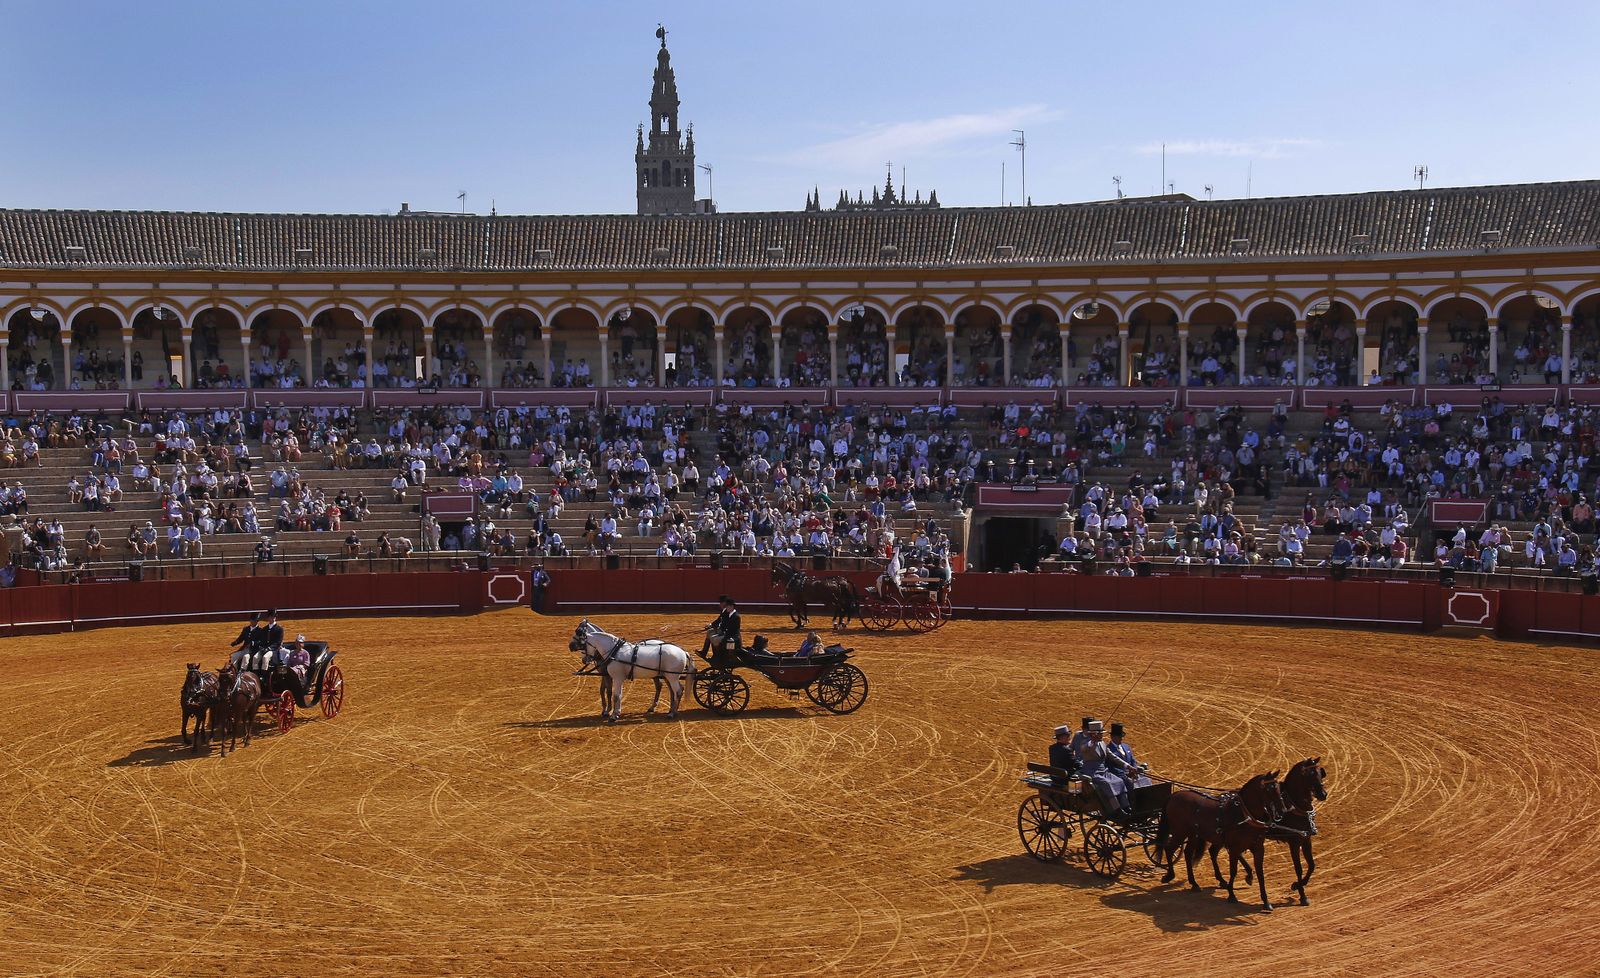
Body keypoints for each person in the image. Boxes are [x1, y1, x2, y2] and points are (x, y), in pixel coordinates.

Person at [1078, 720, 1133, 818]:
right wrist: (1092, 741)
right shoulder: (1086, 743)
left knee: (1119, 781)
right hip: (1092, 773)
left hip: (1103, 771)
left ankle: (1126, 806)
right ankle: (1117, 809)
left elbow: (1112, 757)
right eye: (1100, 734)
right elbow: (1084, 748)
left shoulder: (1102, 743)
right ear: (1093, 734)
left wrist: (1127, 765)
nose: (1102, 736)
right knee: (1107, 784)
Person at [1106, 722, 1151, 792]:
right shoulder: (1108, 750)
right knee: (1130, 783)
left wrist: (1134, 770)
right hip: (1121, 776)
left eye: (1122, 736)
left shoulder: (1126, 746)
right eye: (1119, 737)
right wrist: (1127, 774)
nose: (1121, 738)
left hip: (1133, 773)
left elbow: (1133, 760)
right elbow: (1111, 767)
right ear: (1112, 737)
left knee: (1145, 779)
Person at [700, 595, 741, 668]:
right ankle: (708, 653)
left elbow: (730, 629)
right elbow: (722, 622)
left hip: (732, 636)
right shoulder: (729, 613)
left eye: (727, 606)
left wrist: (721, 633)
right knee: (711, 634)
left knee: (715, 639)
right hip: (726, 633)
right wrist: (712, 626)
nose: (726, 607)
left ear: (731, 607)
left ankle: (717, 658)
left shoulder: (735, 616)